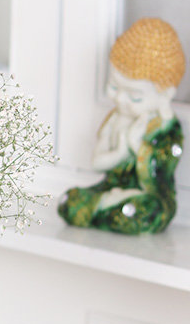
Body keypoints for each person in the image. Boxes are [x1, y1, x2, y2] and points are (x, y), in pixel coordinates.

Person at [58, 18, 185, 234]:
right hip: (110, 189)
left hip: (148, 197)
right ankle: (109, 203)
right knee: (68, 202)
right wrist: (122, 149)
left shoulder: (166, 130)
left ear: (165, 95)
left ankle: (110, 206)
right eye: (114, 87)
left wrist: (140, 148)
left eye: (135, 98)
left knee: (145, 212)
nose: (120, 100)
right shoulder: (116, 119)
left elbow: (159, 181)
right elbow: (98, 163)